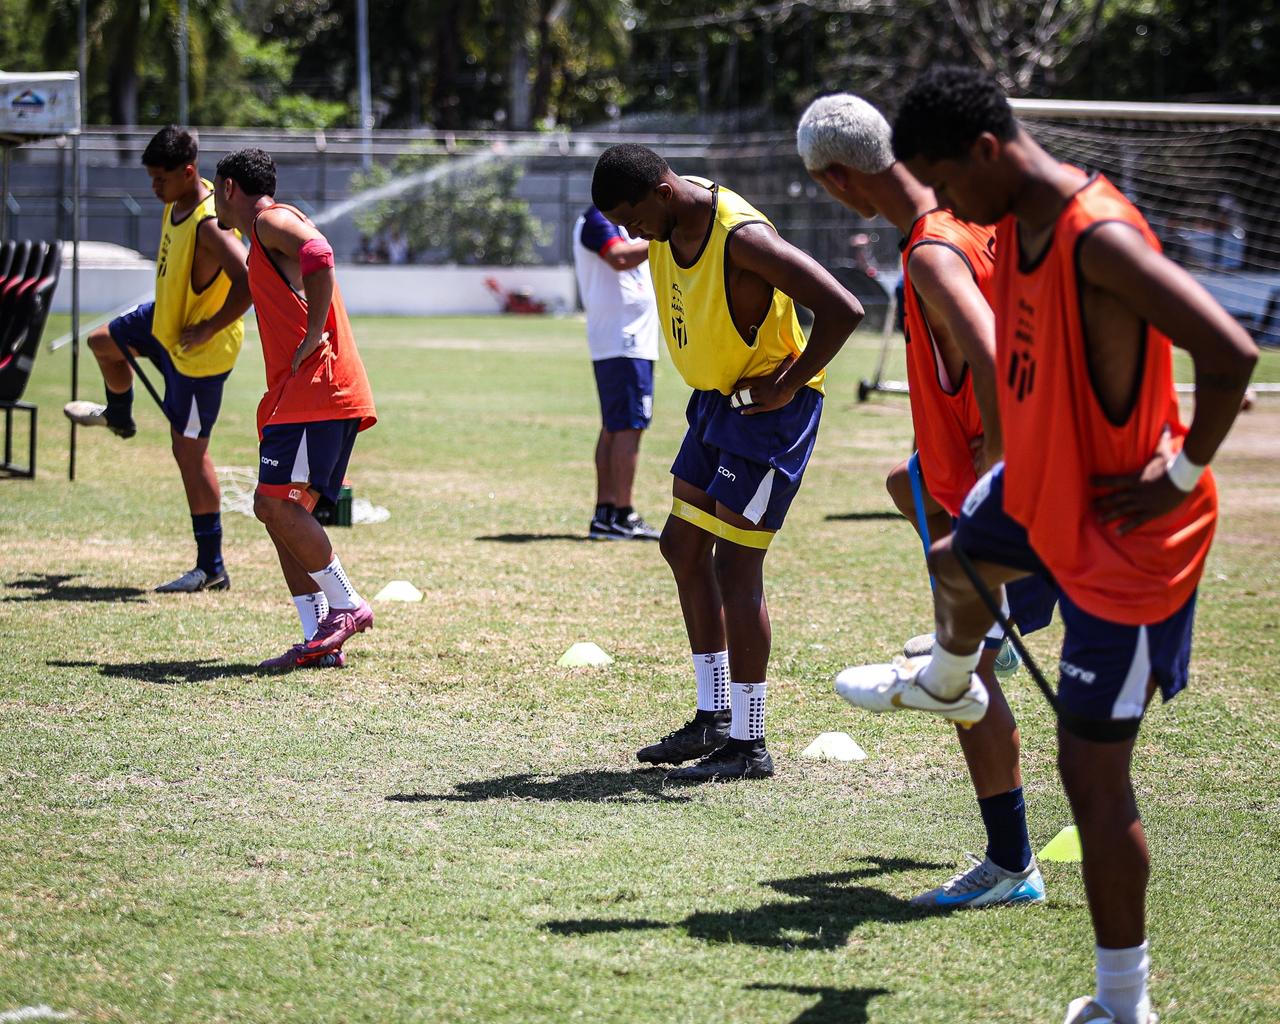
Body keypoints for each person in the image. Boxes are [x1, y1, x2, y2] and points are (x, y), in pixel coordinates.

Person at [836, 66, 1258, 1024]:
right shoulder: (1011, 222)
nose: (941, 205)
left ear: (986, 153)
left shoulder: (1096, 234)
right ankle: (948, 677)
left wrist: (1182, 472)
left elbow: (1231, 353)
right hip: (1040, 495)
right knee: (952, 558)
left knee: (1091, 775)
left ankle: (1123, 1005)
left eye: (945, 182)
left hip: (1130, 543)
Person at [799, 92, 1056, 909]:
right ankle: (1006, 626)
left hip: (1008, 495)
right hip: (1004, 477)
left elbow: (988, 357)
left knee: (968, 680)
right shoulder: (973, 218)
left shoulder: (930, 253)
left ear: (840, 180)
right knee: (903, 483)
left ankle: (1012, 865)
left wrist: (995, 484)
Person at [591, 144, 864, 781]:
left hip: (768, 415)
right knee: (683, 546)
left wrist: (790, 383)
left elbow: (843, 308)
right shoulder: (666, 219)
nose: (631, 236)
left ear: (661, 193)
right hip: (717, 404)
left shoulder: (742, 239)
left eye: (632, 219)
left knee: (738, 565)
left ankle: (750, 740)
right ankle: (714, 716)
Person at [211, 148, 379, 671]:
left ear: (231, 187)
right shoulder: (260, 235)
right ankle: (317, 638)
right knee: (281, 512)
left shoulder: (269, 220)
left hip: (317, 393)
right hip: (299, 396)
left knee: (275, 506)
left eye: (217, 189)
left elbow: (320, 253)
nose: (214, 199)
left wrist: (313, 331)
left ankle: (347, 605)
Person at [64, 126, 250, 593]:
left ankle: (211, 567)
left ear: (188, 172)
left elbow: (248, 279)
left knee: (190, 454)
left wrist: (210, 326)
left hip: (197, 354)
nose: (153, 187)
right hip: (162, 324)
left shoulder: (210, 225)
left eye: (160, 178)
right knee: (103, 343)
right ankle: (121, 420)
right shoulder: (177, 201)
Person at [572, 204, 662, 541]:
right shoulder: (597, 218)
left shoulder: (620, 223)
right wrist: (664, 236)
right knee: (628, 426)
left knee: (617, 425)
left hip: (626, 339)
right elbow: (619, 257)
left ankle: (607, 513)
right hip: (622, 339)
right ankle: (623, 514)